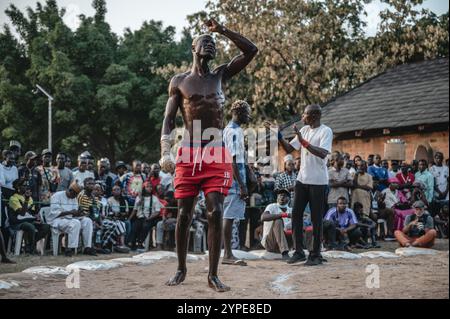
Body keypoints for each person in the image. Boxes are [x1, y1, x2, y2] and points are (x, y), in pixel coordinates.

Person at [160, 18, 257, 291]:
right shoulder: (178, 82)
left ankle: (213, 275)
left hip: (216, 151)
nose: (211, 45)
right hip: (189, 151)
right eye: (206, 41)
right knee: (184, 215)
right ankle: (181, 268)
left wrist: (223, 30)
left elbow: (251, 51)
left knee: (215, 212)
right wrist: (165, 148)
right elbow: (168, 118)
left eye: (214, 43)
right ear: (193, 47)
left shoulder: (220, 76)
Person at [266, 103, 333, 266]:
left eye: (305, 114)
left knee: (316, 219)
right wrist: (279, 135)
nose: (302, 117)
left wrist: (303, 142)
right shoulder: (304, 130)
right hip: (302, 179)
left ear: (315, 116)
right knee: (296, 214)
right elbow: (289, 148)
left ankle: (315, 254)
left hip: (318, 181)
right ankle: (298, 252)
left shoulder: (325, 131)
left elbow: (323, 153)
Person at [222, 100, 252, 266]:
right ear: (239, 112)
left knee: (231, 215)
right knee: (229, 215)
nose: (249, 116)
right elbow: (232, 161)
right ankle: (227, 253)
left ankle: (229, 252)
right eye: (247, 113)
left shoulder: (234, 130)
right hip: (234, 180)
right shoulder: (233, 132)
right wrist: (241, 185)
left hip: (235, 178)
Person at [48, 182, 96, 256]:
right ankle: (70, 249)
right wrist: (70, 212)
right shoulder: (57, 196)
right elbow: (54, 212)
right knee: (75, 223)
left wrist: (80, 213)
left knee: (88, 221)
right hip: (57, 220)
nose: (76, 197)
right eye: (75, 194)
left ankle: (87, 247)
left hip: (70, 219)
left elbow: (74, 212)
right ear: (70, 191)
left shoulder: (74, 198)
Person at [8, 179, 50, 254]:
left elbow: (32, 212)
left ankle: (30, 245)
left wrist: (37, 217)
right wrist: (26, 200)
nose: (26, 187)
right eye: (24, 185)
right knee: (30, 226)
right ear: (18, 187)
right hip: (17, 222)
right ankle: (30, 248)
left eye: (27, 185)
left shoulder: (29, 198)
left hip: (28, 220)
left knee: (46, 227)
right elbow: (22, 213)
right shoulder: (13, 198)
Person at [129, 181, 162, 250]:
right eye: (147, 187)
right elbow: (135, 210)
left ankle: (140, 243)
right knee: (135, 226)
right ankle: (132, 243)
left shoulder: (155, 198)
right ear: (143, 188)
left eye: (151, 187)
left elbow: (157, 211)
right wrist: (129, 219)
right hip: (140, 217)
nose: (149, 188)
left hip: (150, 218)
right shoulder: (139, 198)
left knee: (145, 226)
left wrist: (149, 218)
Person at [260, 189, 292, 260]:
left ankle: (307, 250)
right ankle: (285, 253)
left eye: (284, 196)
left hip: (286, 242)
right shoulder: (271, 206)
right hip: (270, 243)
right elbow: (263, 217)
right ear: (277, 198)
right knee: (278, 221)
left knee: (299, 222)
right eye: (280, 195)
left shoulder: (291, 210)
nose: (282, 197)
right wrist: (283, 215)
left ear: (289, 199)